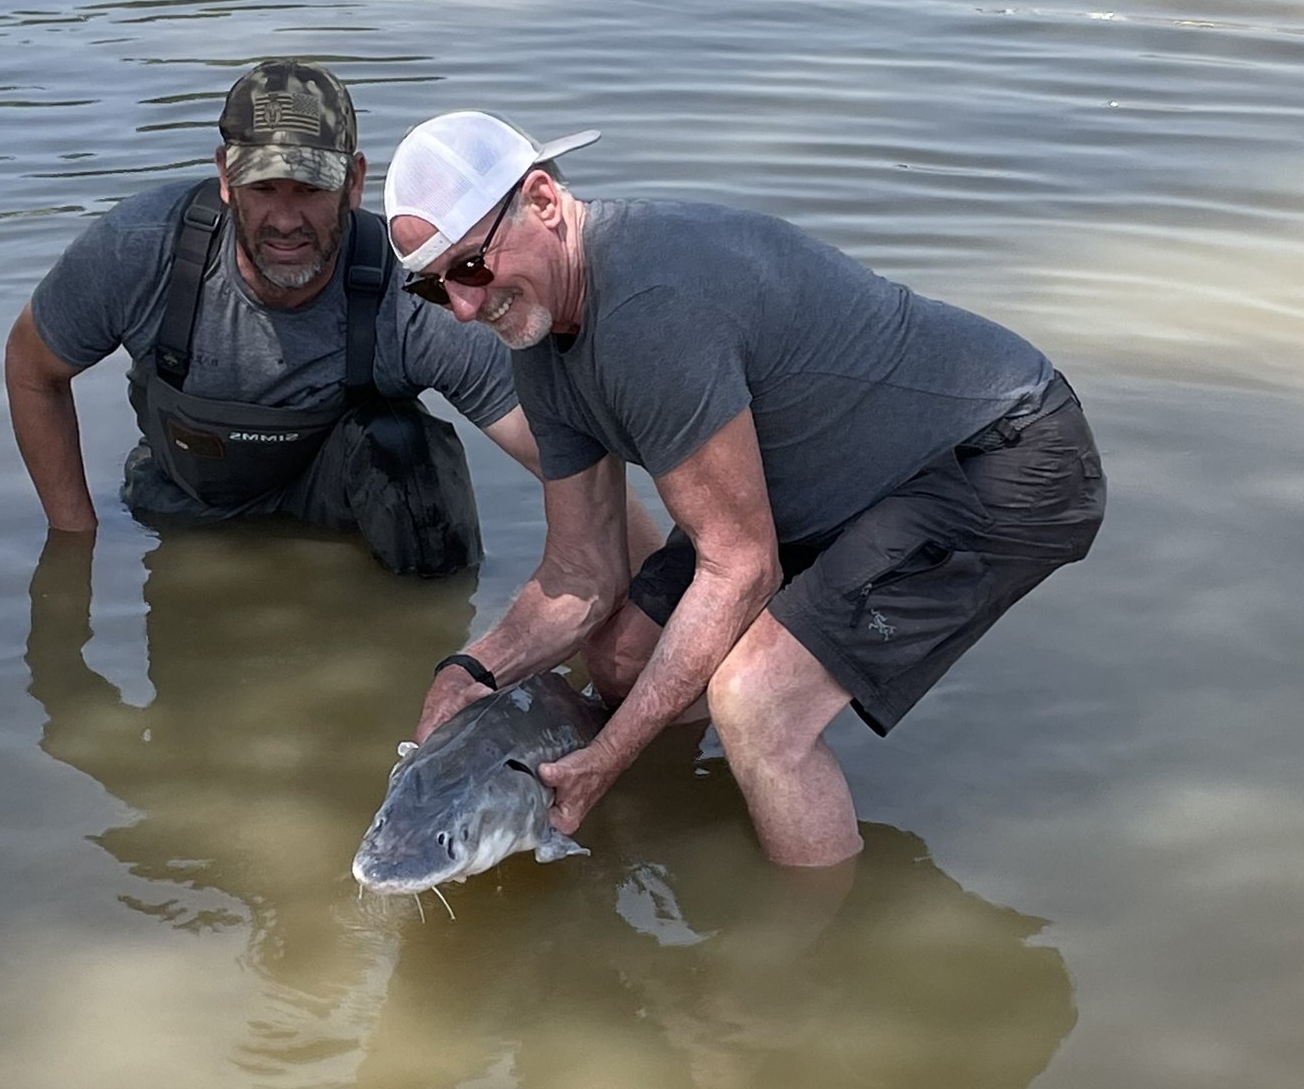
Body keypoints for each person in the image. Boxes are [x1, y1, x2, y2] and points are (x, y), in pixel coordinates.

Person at [386, 110, 1106, 869]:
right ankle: (701, 819)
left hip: (1001, 455)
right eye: (435, 291)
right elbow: (581, 573)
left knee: (757, 703)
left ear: (541, 200)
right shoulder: (541, 348)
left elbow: (740, 566)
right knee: (624, 659)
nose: (465, 309)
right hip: (821, 486)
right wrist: (468, 671)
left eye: (470, 268)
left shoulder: (648, 309)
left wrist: (609, 758)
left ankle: (802, 957)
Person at [4, 59, 658, 578]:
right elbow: (32, 368)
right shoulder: (139, 250)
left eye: (311, 190)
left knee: (408, 452)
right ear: (225, 179)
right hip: (185, 505)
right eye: (264, 189)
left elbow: (564, 456)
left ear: (354, 182)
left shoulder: (413, 294)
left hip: (346, 507)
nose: (287, 219)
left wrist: (658, 591)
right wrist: (73, 544)